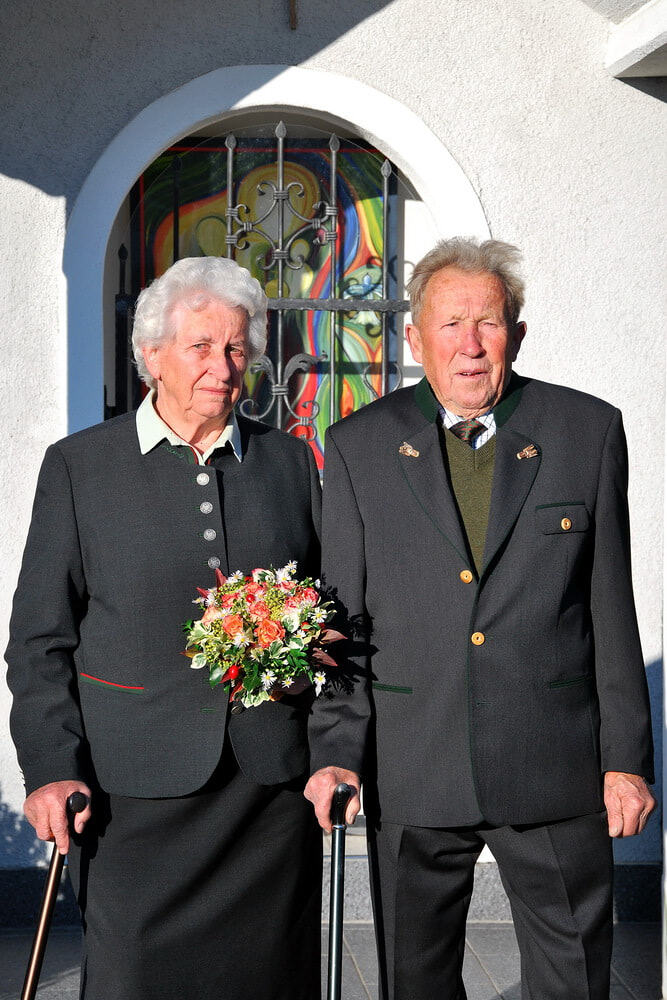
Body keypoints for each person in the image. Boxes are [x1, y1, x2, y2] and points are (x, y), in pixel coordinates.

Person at [305, 237, 655, 1000]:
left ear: (516, 335)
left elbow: (609, 607)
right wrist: (335, 751)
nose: (469, 345)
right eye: (450, 324)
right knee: (415, 981)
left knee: (573, 980)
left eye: (488, 323)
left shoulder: (586, 431)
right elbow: (341, 620)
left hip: (552, 764)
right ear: (413, 339)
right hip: (411, 765)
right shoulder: (358, 445)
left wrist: (624, 760)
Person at [6, 256, 323, 1000]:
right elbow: (39, 639)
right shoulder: (80, 468)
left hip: (266, 793)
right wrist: (51, 766)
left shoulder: (288, 461)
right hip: (131, 794)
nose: (224, 366)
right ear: (151, 355)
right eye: (201, 346)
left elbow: (329, 611)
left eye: (238, 347)